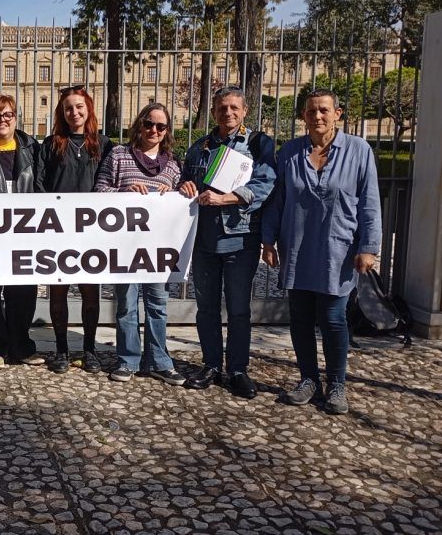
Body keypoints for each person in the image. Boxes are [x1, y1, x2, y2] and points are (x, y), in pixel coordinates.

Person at [261, 89, 380, 415]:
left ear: (337, 114)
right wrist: (268, 240)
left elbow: (370, 202)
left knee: (333, 318)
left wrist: (369, 247)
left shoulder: (358, 150)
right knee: (300, 318)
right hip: (297, 248)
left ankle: (337, 384)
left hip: (338, 249)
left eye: (324, 110)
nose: (317, 116)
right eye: (311, 111)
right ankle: (308, 379)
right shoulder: (290, 152)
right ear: (303, 116)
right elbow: (277, 199)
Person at [179, 86, 276, 399]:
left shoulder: (258, 144)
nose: (228, 113)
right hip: (204, 239)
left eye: (234, 107)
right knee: (206, 308)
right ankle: (210, 365)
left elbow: (265, 184)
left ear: (244, 111)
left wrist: (226, 199)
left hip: (241, 238)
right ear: (213, 112)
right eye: (222, 108)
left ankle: (237, 369)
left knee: (238, 309)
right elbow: (184, 179)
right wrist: (185, 185)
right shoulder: (199, 147)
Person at [94, 102, 185, 386]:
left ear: (166, 131)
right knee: (126, 305)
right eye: (149, 124)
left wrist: (178, 192)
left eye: (160, 126)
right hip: (125, 246)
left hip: (158, 249)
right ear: (139, 125)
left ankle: (159, 361)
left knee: (158, 305)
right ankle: (128, 360)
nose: (154, 130)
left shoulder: (172, 164)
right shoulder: (119, 155)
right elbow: (99, 190)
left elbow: (183, 200)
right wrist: (124, 191)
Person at [35, 86, 114, 374]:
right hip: (58, 230)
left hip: (92, 231)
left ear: (88, 109)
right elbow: (40, 184)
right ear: (62, 112)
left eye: (79, 106)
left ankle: (90, 349)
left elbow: (112, 183)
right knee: (58, 291)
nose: (74, 112)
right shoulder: (51, 144)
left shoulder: (104, 144)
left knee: (90, 292)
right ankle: (61, 350)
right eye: (68, 108)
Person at [0, 94, 42, 370]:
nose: (1, 120)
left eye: (7, 115)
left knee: (23, 291)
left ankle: (21, 345)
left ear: (16, 118)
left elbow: (42, 187)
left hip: (25, 232)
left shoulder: (32, 148)